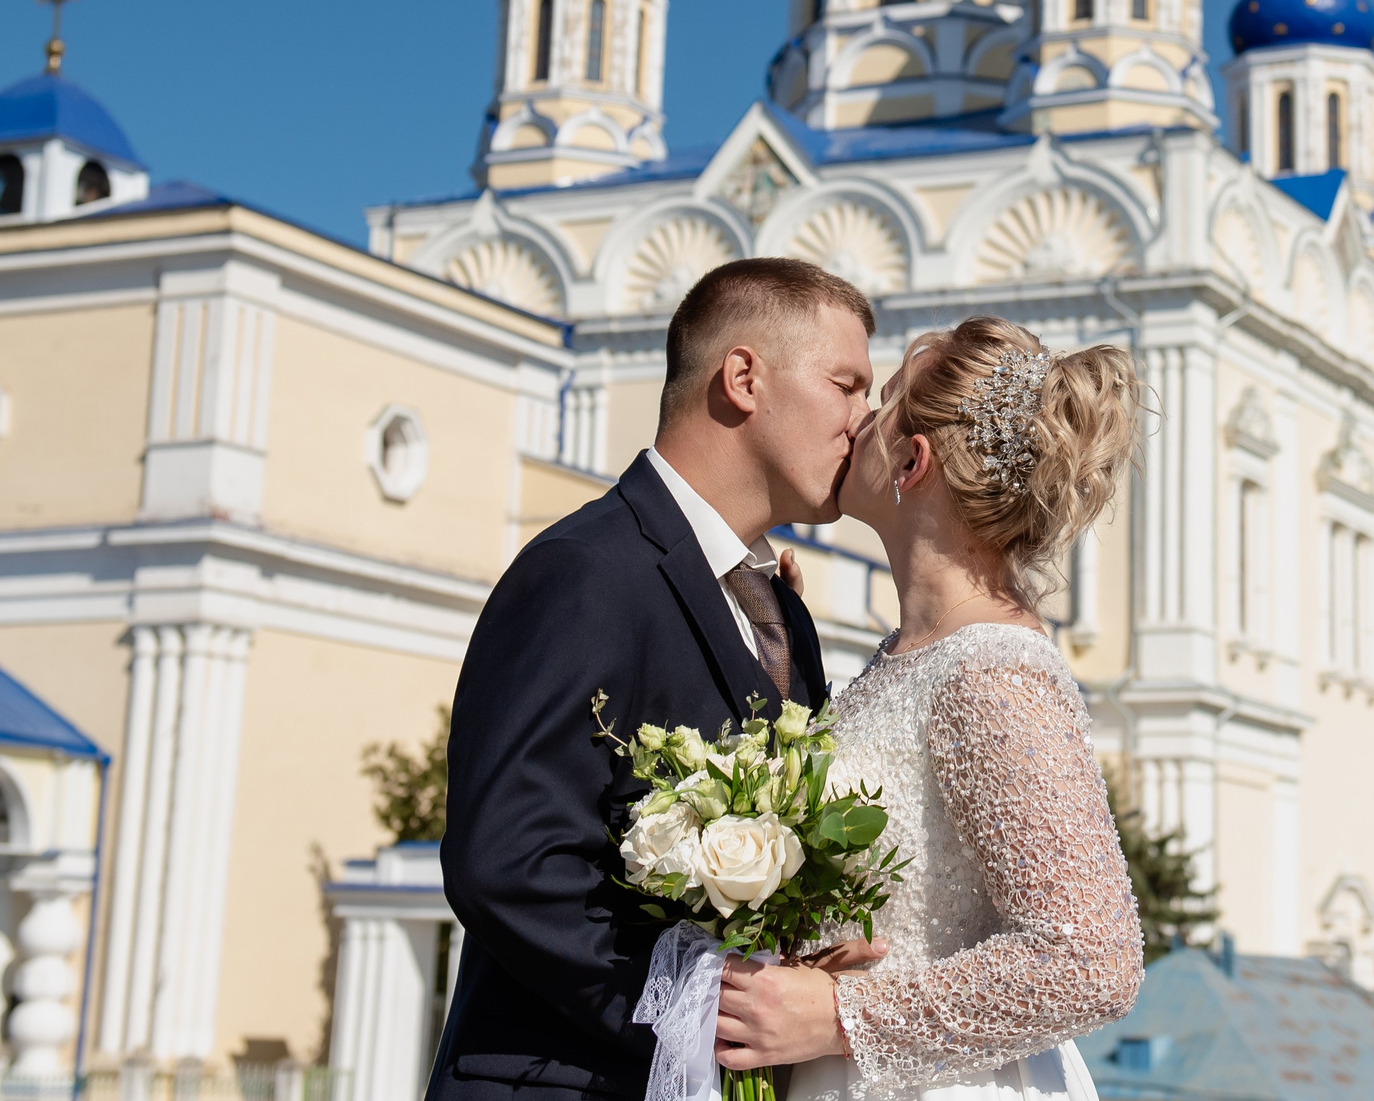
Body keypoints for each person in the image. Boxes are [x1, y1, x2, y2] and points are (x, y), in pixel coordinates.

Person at [427, 258, 878, 1101]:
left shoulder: (787, 614)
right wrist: (701, 1008)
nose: (866, 419)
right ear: (743, 377)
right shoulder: (584, 571)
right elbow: (507, 863)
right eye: (847, 384)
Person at [715, 316, 1148, 1101]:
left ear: (912, 462)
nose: (854, 423)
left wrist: (844, 1016)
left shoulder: (991, 671)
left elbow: (1093, 960)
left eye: (877, 403)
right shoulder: (905, 653)